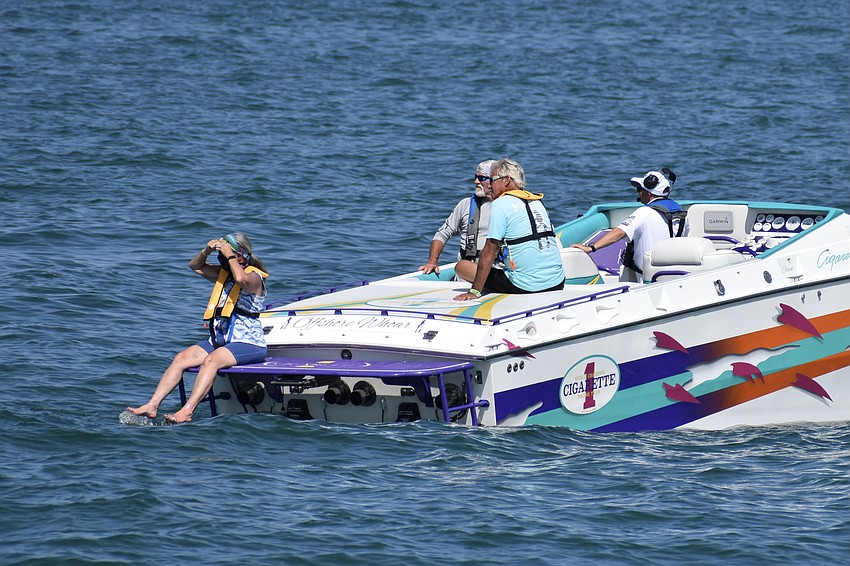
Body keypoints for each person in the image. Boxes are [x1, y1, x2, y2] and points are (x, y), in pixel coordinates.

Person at [127, 233, 269, 423]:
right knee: (181, 358)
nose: (223, 259)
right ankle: (152, 406)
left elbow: (242, 280)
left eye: (227, 256)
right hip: (221, 340)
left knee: (211, 360)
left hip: (248, 343)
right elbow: (195, 266)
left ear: (241, 255)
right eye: (222, 256)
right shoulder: (224, 275)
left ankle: (187, 411)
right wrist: (207, 251)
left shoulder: (254, 277)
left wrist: (230, 255)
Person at [455, 158, 565, 300]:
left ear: (506, 180)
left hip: (524, 286)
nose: (489, 185)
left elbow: (489, 251)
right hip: (557, 282)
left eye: (492, 180)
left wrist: (474, 292)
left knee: (462, 266)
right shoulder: (537, 202)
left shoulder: (501, 203)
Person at [571, 168, 688, 281]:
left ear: (648, 193)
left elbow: (619, 233)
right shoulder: (682, 214)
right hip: (674, 276)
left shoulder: (643, 213)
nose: (638, 192)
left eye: (639, 189)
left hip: (648, 280)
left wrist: (590, 248)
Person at [418, 159, 497, 280]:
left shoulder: (509, 206)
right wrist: (432, 261)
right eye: (475, 177)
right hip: (466, 273)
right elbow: (443, 233)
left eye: (481, 178)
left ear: (495, 180)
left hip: (495, 273)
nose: (476, 181)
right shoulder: (465, 205)